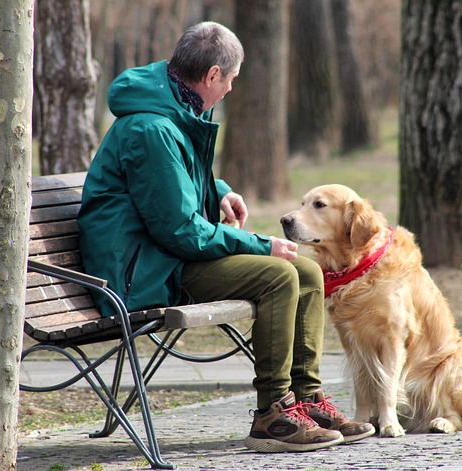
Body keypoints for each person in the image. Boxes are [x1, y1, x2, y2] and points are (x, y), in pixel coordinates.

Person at [77, 21, 374, 453]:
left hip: (160, 256)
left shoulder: (172, 106)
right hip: (137, 274)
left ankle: (306, 399)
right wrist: (260, 244)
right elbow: (180, 230)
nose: (232, 89)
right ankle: (273, 413)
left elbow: (169, 184)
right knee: (278, 275)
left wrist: (219, 190)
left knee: (307, 271)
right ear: (213, 75)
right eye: (231, 79)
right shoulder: (152, 128)